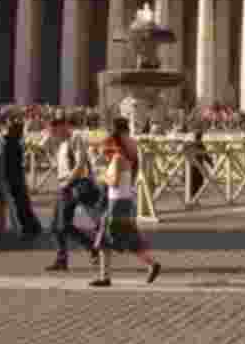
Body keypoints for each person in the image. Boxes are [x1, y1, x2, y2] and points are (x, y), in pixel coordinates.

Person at [90, 117, 161, 287]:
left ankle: (106, 277)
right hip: (125, 201)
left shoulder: (117, 159)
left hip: (116, 203)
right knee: (128, 239)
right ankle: (151, 264)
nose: (106, 148)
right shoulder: (128, 156)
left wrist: (101, 174)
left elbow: (113, 182)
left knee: (105, 239)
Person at [45, 115, 99, 271]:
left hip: (72, 185)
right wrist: (47, 149)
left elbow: (80, 163)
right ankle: (90, 247)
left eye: (54, 131)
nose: (53, 134)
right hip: (65, 185)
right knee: (58, 226)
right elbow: (58, 166)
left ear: (62, 126)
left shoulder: (75, 138)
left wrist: (67, 184)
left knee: (61, 225)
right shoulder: (62, 143)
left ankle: (65, 258)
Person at [3, 117, 42, 238]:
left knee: (20, 204)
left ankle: (30, 227)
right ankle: (32, 226)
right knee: (23, 203)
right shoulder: (16, 143)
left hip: (13, 177)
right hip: (17, 177)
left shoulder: (8, 142)